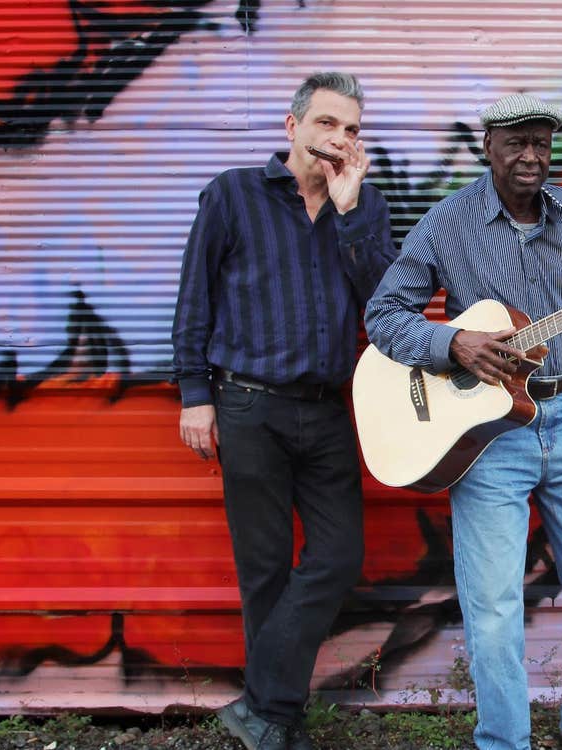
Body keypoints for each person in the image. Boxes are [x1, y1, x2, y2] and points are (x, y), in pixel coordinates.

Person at [363, 93, 562, 750]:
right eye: (516, 143)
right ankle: (505, 743)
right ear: (488, 146)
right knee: (493, 610)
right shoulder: (447, 224)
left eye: (541, 143)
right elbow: (383, 316)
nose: (531, 157)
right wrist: (451, 344)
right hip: (488, 436)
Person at [171, 71, 396, 750]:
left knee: (338, 556)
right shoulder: (233, 194)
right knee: (264, 568)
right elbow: (193, 298)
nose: (339, 139)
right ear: (292, 126)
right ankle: (277, 720)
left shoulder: (367, 206)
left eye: (352, 130)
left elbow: (385, 305)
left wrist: (352, 212)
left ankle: (260, 707)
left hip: (329, 412)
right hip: (249, 406)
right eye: (328, 123)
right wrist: (194, 395)